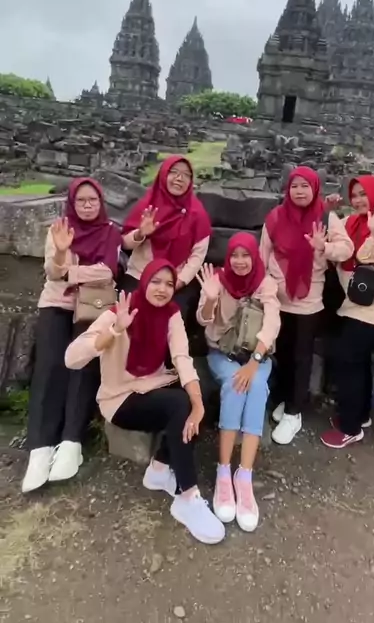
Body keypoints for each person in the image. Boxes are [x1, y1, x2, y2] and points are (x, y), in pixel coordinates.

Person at [65, 259, 225, 545]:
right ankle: (188, 497)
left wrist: (198, 403)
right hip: (120, 399)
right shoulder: (119, 313)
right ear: (144, 281)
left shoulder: (171, 314)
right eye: (156, 281)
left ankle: (160, 468)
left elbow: (181, 357)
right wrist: (114, 331)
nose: (162, 289)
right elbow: (72, 358)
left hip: (152, 384)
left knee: (202, 395)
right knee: (180, 405)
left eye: (169, 283)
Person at [22, 178, 122, 493]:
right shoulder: (60, 229)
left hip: (92, 306)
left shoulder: (109, 231)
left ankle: (71, 440)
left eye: (93, 200)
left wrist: (70, 273)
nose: (87, 205)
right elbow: (52, 272)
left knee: (83, 366)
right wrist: (62, 254)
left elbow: (108, 270)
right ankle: (41, 445)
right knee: (50, 367)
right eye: (81, 200)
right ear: (72, 203)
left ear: (101, 202)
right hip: (57, 303)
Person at [260, 166, 354, 445]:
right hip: (277, 300)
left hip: (308, 302)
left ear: (314, 189)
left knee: (302, 358)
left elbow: (347, 249)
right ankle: (287, 398)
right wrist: (263, 287)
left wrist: (324, 247)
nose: (299, 191)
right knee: (283, 355)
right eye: (295, 186)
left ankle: (295, 412)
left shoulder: (325, 217)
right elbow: (263, 253)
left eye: (305, 186)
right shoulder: (275, 217)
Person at [196, 233, 281, 532]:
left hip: (256, 358)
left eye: (246, 255)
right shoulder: (217, 280)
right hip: (222, 354)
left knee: (255, 386)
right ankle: (223, 471)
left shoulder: (265, 283)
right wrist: (209, 298)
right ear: (228, 257)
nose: (240, 261)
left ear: (254, 257)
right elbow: (204, 321)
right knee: (235, 384)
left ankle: (244, 475)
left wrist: (253, 363)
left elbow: (272, 323)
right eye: (235, 255)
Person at [320, 175, 374, 449]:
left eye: (363, 194)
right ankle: (362, 415)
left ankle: (350, 428)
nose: (358, 200)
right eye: (354, 195)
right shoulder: (350, 223)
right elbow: (333, 244)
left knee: (348, 364)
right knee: (357, 364)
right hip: (353, 306)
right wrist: (326, 211)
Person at [120, 156, 211, 323]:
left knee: (173, 321)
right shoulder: (147, 205)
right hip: (139, 275)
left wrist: (178, 282)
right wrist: (141, 233)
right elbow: (125, 243)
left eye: (186, 175)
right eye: (173, 172)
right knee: (127, 316)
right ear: (163, 175)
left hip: (175, 280)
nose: (179, 178)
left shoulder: (197, 213)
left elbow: (198, 255)